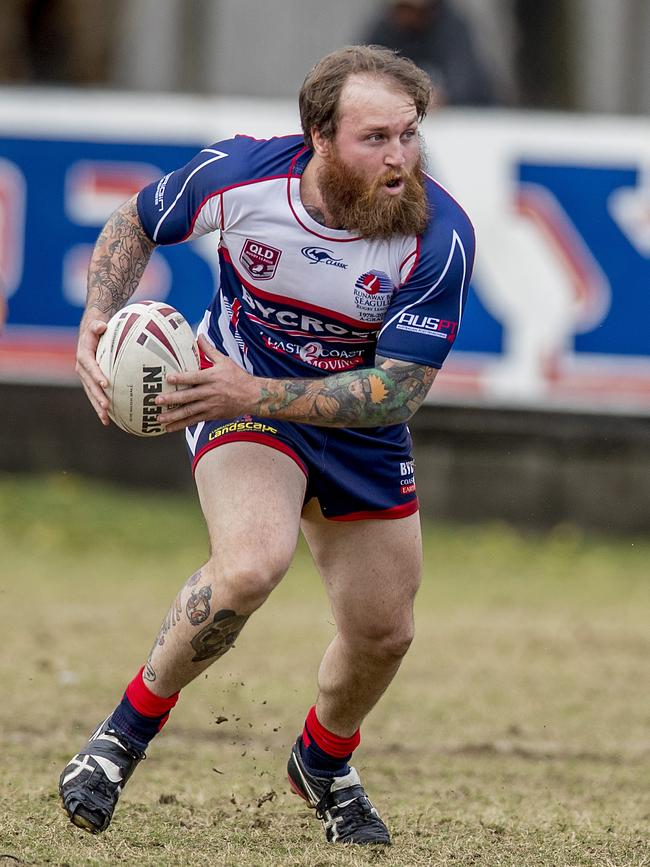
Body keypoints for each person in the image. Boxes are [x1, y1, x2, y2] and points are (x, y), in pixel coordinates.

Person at [59, 44, 475, 846]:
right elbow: (135, 219)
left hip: (357, 427)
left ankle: (322, 760)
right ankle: (119, 739)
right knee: (252, 562)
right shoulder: (242, 177)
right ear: (318, 135)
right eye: (376, 139)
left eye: (409, 135)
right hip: (235, 395)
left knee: (384, 632)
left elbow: (395, 390)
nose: (400, 159)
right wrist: (97, 317)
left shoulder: (438, 235)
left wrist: (254, 392)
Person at [362, 0, 498, 107]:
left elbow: (465, 79)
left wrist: (440, 96)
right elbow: (365, 69)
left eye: (410, 9)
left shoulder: (451, 27)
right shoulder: (384, 29)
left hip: (460, 117)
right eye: (401, 9)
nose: (405, 15)